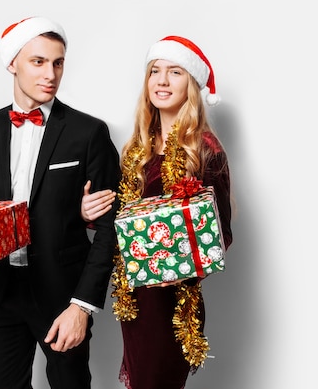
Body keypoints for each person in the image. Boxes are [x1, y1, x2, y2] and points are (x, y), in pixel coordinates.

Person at [0, 16, 121, 389]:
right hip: (5, 293)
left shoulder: (88, 132)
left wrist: (82, 306)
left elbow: (109, 226)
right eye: (38, 62)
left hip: (62, 295)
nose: (51, 73)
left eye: (58, 62)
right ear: (12, 63)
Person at [81, 35, 233, 389]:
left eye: (175, 72)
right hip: (135, 301)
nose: (162, 81)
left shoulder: (204, 150)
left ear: (191, 85)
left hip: (173, 305)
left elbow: (221, 234)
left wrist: (181, 270)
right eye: (155, 72)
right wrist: (88, 211)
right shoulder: (137, 149)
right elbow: (121, 219)